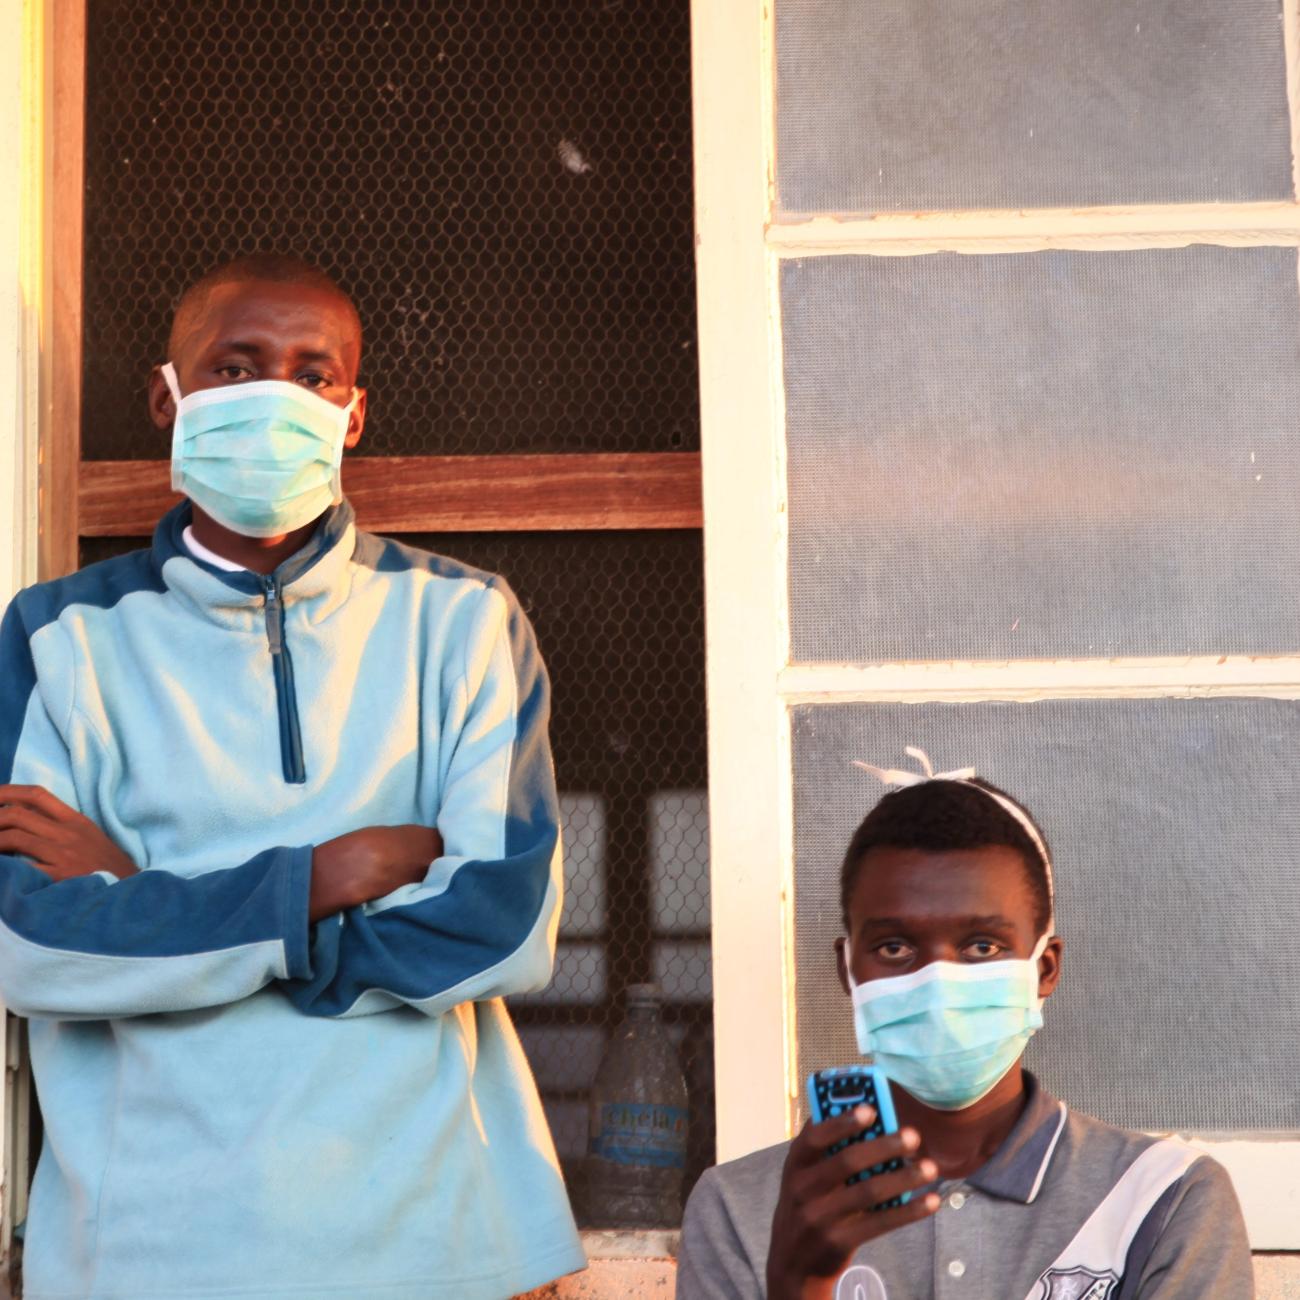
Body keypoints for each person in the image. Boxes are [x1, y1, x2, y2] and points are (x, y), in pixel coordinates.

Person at [0, 254, 585, 1300]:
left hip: (436, 1235)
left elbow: (502, 924)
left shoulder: (461, 622)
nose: (275, 395)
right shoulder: (59, 639)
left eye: (313, 375)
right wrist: (320, 874)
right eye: (235, 367)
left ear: (353, 415)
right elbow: (31, 945)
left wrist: (145, 898)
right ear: (165, 397)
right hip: (142, 1250)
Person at [677, 752, 1253, 1299]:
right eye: (895, 946)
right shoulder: (741, 1208)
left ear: (1044, 968)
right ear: (848, 970)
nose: (938, 981)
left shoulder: (1165, 1200)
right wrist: (797, 1287)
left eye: (982, 945)